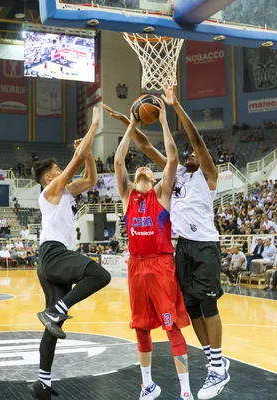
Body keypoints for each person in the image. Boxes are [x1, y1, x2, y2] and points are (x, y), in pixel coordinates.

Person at [103, 88, 230, 399]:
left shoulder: (207, 175)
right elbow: (145, 146)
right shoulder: (174, 181)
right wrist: (129, 121)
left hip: (205, 244)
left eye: (193, 155)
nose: (189, 154)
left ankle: (216, 367)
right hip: (181, 248)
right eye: (185, 154)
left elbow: (195, 141)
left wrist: (173, 109)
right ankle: (215, 361)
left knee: (208, 303)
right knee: (190, 306)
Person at [29, 107, 111, 399]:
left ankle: (42, 384)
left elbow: (90, 179)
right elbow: (75, 163)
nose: (61, 171)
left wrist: (86, 152)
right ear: (50, 177)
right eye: (57, 170)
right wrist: (95, 127)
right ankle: (56, 309)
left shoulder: (65, 192)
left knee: (53, 327)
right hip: (54, 253)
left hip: (50, 258)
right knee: (99, 273)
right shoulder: (49, 192)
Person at [114, 97, 191, 400]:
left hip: (160, 265)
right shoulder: (127, 197)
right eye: (139, 170)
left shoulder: (161, 194)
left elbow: (171, 159)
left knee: (171, 327)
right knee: (140, 328)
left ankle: (185, 391)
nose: (143, 169)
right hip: (136, 266)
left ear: (154, 178)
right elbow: (119, 161)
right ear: (134, 180)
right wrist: (132, 123)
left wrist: (161, 120)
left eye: (147, 169)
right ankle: (147, 385)